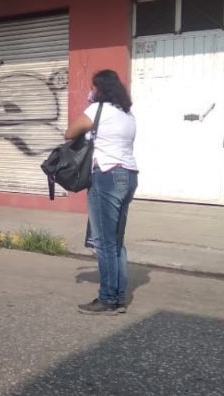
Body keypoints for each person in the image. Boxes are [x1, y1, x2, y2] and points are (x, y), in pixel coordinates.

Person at [64, 69, 138, 316]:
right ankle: (118, 297)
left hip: (105, 175)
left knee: (104, 243)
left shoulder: (98, 110)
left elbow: (70, 132)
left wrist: (91, 105)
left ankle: (107, 298)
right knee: (116, 241)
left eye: (93, 88)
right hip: (128, 175)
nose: (91, 91)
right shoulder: (127, 114)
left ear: (100, 89)